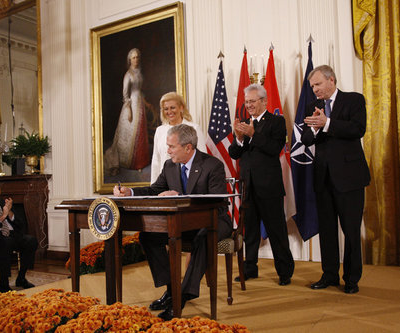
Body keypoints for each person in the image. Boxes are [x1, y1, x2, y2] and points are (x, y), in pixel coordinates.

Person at [114, 124, 232, 321]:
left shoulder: (212, 165)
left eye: (171, 147)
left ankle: (182, 297)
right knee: (149, 236)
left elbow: (218, 204)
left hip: (215, 221)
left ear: (188, 147)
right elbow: (154, 190)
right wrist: (130, 191)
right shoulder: (170, 165)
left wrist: (182, 196)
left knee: (204, 238)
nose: (167, 151)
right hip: (184, 223)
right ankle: (171, 289)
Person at [301, 65, 370, 294]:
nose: (314, 90)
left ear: (331, 80)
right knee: (327, 230)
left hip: (349, 179)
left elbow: (358, 129)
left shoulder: (354, 100)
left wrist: (327, 124)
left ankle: (351, 279)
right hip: (323, 178)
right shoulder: (313, 106)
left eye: (318, 84)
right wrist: (314, 129)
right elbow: (307, 139)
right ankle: (329, 275)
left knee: (350, 231)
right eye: (312, 86)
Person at [228, 83, 294, 286]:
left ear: (264, 101)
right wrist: (239, 139)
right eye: (246, 102)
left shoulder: (276, 121)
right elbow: (233, 153)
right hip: (248, 188)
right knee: (251, 233)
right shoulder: (245, 124)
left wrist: (252, 134)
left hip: (270, 188)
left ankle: (285, 272)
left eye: (252, 101)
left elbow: (275, 149)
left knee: (277, 231)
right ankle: (250, 269)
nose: (248, 105)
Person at [105, 48, 150, 176]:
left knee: (140, 133)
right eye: (133, 58)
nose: (136, 60)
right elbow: (125, 94)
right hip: (131, 105)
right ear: (129, 60)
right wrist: (129, 110)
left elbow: (140, 91)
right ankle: (129, 162)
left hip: (139, 103)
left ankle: (140, 162)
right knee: (130, 134)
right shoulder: (128, 75)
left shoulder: (139, 73)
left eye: (137, 57)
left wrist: (145, 103)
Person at [150, 92, 207, 183]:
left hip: (188, 181)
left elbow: (202, 157)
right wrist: (154, 185)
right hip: (165, 182)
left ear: (181, 108)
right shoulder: (159, 131)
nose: (169, 112)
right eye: (166, 109)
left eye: (172, 107)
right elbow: (156, 160)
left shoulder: (194, 128)